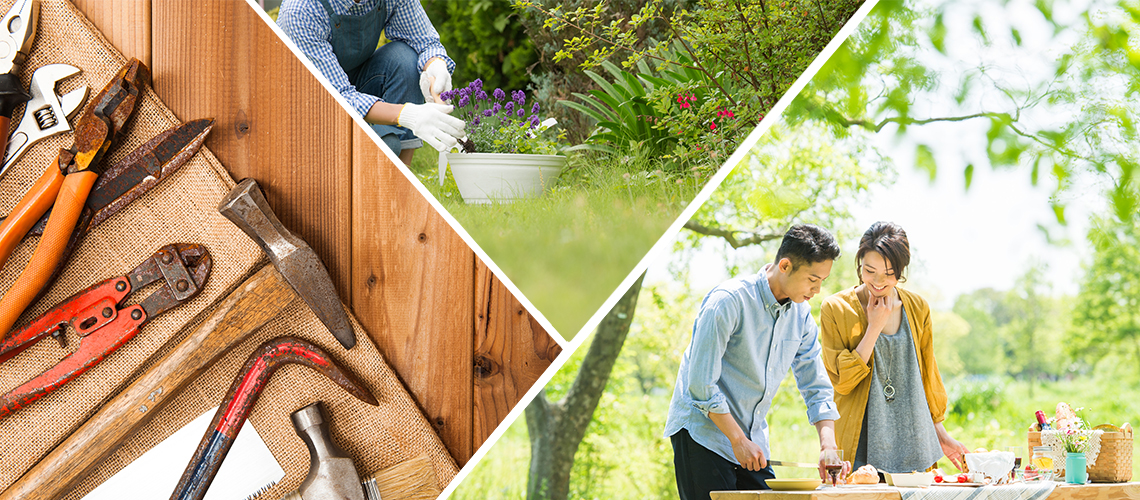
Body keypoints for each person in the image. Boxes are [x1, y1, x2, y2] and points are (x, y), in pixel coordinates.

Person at [664, 224, 849, 500]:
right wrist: (737, 440)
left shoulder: (801, 317)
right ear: (785, 265)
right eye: (813, 279)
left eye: (822, 280)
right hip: (704, 435)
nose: (818, 289)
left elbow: (816, 385)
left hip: (752, 444)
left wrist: (828, 447)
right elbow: (700, 383)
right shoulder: (728, 301)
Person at [820, 222, 969, 476]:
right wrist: (874, 327)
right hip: (860, 446)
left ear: (901, 271)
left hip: (915, 443)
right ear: (860, 265)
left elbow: (926, 376)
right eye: (870, 270)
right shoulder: (836, 308)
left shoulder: (917, 307)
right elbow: (841, 383)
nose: (878, 282)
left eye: (889, 273)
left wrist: (941, 436)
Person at [277, 0, 465, 165]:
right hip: (305, 105)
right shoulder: (301, 11)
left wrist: (436, 66)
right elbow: (336, 97)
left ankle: (402, 179)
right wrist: (408, 114)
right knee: (380, 148)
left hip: (354, 80)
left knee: (404, 58)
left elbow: (424, 42)